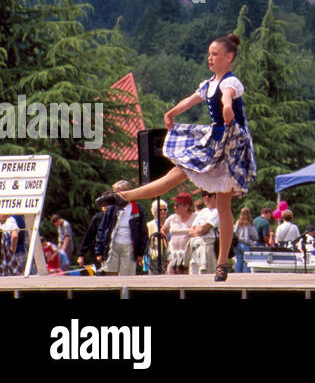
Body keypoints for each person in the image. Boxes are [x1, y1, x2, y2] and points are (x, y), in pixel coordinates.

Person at [93, 33, 256, 282]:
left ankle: (222, 264)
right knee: (174, 175)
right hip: (214, 141)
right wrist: (171, 112)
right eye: (209, 54)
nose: (209, 58)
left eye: (214, 54)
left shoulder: (229, 83)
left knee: (224, 205)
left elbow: (227, 99)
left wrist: (226, 110)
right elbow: (192, 99)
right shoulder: (210, 82)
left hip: (231, 145)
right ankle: (122, 197)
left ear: (228, 57)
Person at [102, 179, 148, 276]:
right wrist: (100, 250)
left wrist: (140, 252)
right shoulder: (112, 208)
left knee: (127, 274)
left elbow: (142, 231)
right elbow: (103, 228)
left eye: (118, 192)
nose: (115, 195)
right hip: (113, 243)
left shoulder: (137, 208)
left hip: (129, 245)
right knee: (110, 271)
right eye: (115, 193)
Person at [162, 193, 196, 274]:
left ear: (186, 206)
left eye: (177, 205)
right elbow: (163, 230)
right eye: (174, 205)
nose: (174, 207)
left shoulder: (195, 218)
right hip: (174, 256)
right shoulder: (172, 218)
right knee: (171, 275)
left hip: (189, 256)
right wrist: (167, 244)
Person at [189, 192, 221, 275]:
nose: (206, 197)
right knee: (193, 273)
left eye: (209, 195)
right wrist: (199, 231)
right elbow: (191, 231)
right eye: (204, 195)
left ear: (215, 196)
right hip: (196, 247)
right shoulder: (203, 211)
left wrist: (199, 230)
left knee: (206, 274)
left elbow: (204, 229)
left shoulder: (218, 211)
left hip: (208, 247)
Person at [234, 207, 260, 273]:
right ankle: (245, 275)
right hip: (246, 244)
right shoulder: (250, 223)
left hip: (238, 243)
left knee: (238, 260)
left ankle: (237, 275)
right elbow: (255, 236)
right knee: (246, 261)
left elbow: (235, 233)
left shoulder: (238, 222)